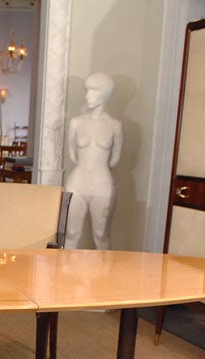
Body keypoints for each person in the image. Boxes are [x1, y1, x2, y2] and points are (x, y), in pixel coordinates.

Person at [65, 73, 123, 250]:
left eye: (93, 91)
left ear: (104, 94)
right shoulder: (75, 123)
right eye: (87, 90)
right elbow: (73, 156)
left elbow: (115, 159)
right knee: (71, 234)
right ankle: (65, 276)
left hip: (102, 185)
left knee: (101, 236)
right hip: (77, 183)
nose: (87, 95)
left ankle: (104, 277)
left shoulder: (115, 125)